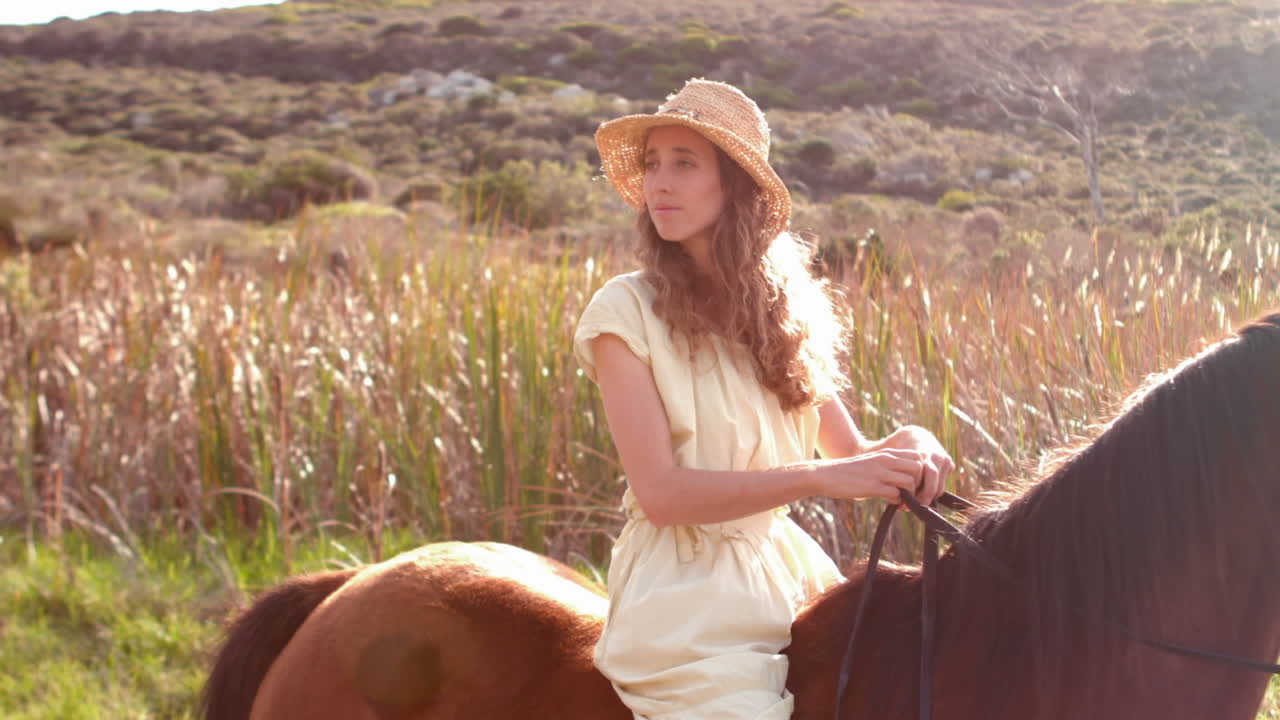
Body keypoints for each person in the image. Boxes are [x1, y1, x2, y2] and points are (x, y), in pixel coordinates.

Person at [573, 78, 954, 720]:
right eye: (653, 164)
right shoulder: (624, 309)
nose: (659, 183)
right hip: (683, 595)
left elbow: (852, 453)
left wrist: (914, 441)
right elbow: (662, 495)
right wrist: (819, 478)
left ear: (736, 187)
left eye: (684, 163)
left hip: (785, 574)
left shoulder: (783, 316)